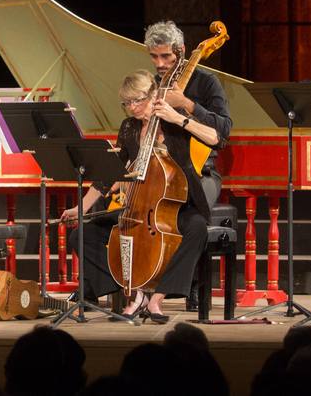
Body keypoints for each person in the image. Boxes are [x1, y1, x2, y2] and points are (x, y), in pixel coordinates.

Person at [61, 69, 222, 323]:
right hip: (139, 207)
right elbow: (108, 175)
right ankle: (133, 291)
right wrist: (80, 208)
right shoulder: (129, 127)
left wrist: (179, 119)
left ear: (153, 95)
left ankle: (156, 298)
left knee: (197, 228)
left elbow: (216, 138)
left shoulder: (173, 118)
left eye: (138, 100)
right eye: (127, 103)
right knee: (82, 234)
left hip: (178, 203)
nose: (133, 107)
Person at [144, 20, 232, 208]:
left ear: (181, 50)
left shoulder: (207, 82)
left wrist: (186, 103)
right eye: (154, 56)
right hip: (158, 170)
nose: (160, 63)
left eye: (166, 56)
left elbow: (224, 130)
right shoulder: (151, 84)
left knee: (181, 210)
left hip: (200, 172)